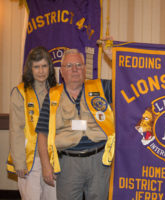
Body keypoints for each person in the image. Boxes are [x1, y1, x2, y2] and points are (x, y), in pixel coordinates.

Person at [36, 49, 115, 200]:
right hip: (68, 163)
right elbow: (42, 133)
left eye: (79, 65)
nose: (75, 69)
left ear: (85, 69)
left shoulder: (102, 87)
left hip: (99, 161)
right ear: (62, 71)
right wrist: (46, 166)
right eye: (70, 65)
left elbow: (126, 82)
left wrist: (112, 57)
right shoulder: (52, 96)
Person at [6, 46, 57, 200]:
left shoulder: (57, 90)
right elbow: (16, 129)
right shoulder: (20, 92)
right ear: (30, 69)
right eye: (36, 67)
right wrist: (19, 162)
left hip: (53, 159)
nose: (41, 71)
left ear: (50, 67)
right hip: (30, 160)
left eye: (44, 66)